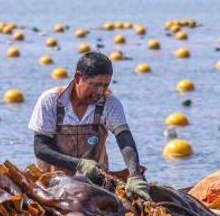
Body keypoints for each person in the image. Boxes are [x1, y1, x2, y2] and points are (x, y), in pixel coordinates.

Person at [28, 51, 150, 200]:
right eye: (96, 85)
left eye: (105, 85)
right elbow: (40, 149)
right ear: (78, 77)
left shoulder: (110, 104)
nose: (100, 91)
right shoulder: (51, 100)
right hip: (51, 187)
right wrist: (79, 164)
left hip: (95, 186)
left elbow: (124, 138)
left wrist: (135, 175)